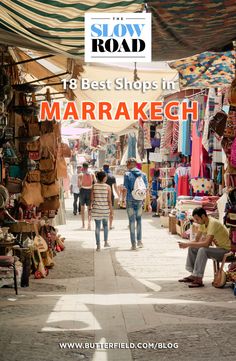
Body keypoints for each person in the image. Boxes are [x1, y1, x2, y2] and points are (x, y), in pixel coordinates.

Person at [178, 207, 231, 288]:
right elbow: (196, 240)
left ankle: (198, 278)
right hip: (219, 249)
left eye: (197, 219)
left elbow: (206, 244)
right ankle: (193, 275)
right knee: (192, 248)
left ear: (203, 216)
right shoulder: (203, 224)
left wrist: (187, 244)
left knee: (203, 250)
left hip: (227, 251)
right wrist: (186, 244)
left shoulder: (213, 223)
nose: (196, 221)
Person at [123, 158, 151, 250]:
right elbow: (147, 190)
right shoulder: (143, 175)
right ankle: (139, 241)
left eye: (127, 164)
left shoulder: (127, 174)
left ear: (129, 164)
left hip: (130, 199)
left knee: (131, 221)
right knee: (139, 220)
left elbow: (125, 188)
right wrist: (149, 203)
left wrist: (122, 200)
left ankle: (133, 244)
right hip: (140, 200)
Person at [91, 171, 112, 251]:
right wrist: (111, 210)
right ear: (103, 178)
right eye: (105, 177)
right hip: (105, 209)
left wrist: (90, 209)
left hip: (96, 209)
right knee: (106, 225)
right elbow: (109, 200)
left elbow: (92, 199)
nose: (106, 178)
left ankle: (98, 245)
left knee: (97, 227)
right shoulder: (107, 187)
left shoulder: (94, 186)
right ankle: (106, 242)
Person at [78, 162, 96, 230]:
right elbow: (95, 182)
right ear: (88, 167)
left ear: (83, 167)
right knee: (89, 208)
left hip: (83, 191)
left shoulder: (80, 174)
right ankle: (89, 224)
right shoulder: (92, 174)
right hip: (90, 191)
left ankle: (83, 224)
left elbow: (79, 185)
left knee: (82, 208)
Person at [103, 163, 120, 230]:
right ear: (109, 167)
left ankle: (104, 226)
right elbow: (115, 187)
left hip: (102, 195)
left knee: (103, 211)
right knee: (111, 211)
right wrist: (119, 195)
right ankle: (110, 226)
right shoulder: (112, 176)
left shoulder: (101, 176)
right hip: (110, 195)